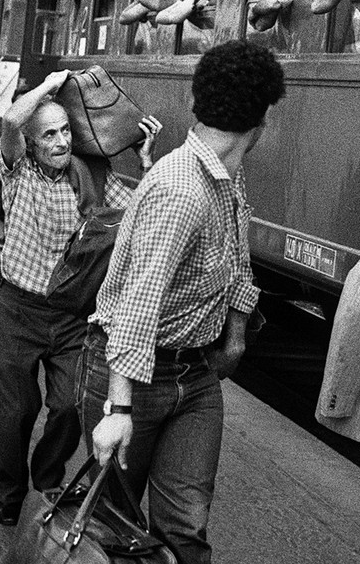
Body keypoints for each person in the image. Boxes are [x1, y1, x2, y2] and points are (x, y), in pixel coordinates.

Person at [85, 41, 285, 564]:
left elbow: (239, 262)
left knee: (185, 531)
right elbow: (135, 306)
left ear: (197, 104)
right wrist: (119, 408)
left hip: (193, 377)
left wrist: (235, 339)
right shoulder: (181, 189)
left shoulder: (226, 176)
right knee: (116, 532)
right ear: (265, 116)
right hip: (135, 375)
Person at [0, 69, 161, 526]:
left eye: (66, 130)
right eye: (49, 134)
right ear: (32, 142)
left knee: (66, 407)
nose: (61, 141)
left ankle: (43, 484)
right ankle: (11, 490)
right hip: (16, 311)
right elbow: (9, 122)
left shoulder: (88, 175)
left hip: (70, 319)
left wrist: (145, 162)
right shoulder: (17, 170)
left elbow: (141, 211)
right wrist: (48, 85)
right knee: (16, 411)